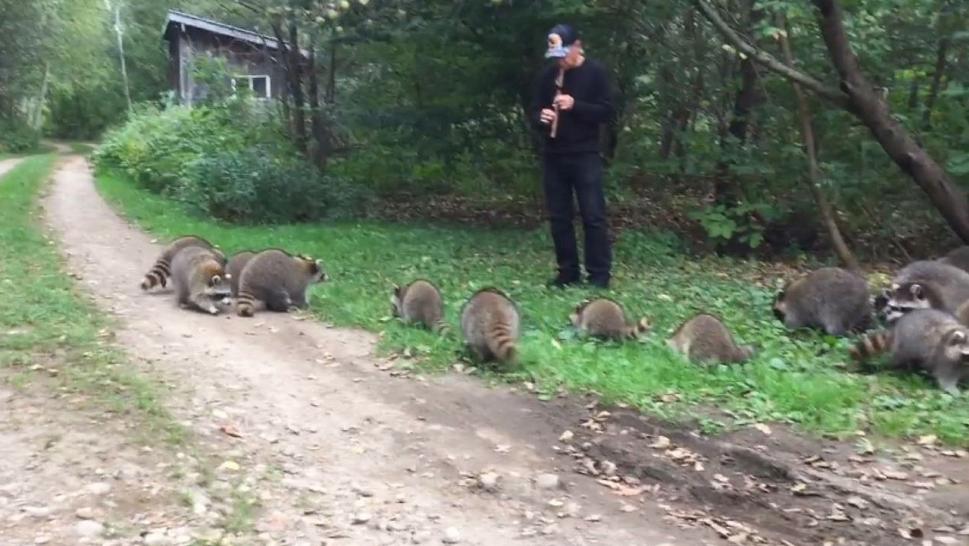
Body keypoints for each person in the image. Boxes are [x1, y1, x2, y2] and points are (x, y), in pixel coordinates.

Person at [530, 23, 615, 289]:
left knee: (593, 215)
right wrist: (540, 118)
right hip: (554, 155)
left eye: (564, 54)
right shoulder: (548, 76)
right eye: (555, 56)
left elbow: (608, 111)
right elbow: (533, 112)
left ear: (578, 46)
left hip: (585, 154)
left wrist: (575, 105)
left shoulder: (596, 73)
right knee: (559, 217)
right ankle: (567, 272)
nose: (560, 61)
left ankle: (599, 274)